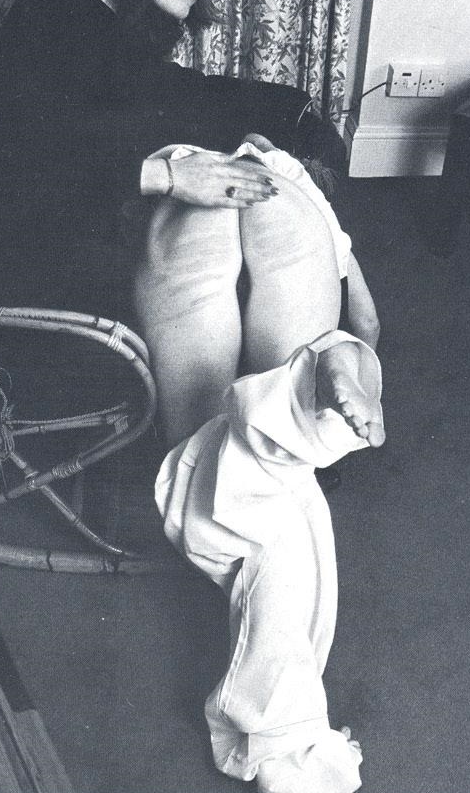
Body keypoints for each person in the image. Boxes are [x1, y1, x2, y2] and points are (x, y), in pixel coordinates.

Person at [0, 0, 379, 446]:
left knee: (251, 175)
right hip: (50, 241)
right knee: (224, 201)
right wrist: (170, 177)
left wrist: (293, 112)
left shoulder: (126, 18)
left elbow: (175, 97)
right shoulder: (53, 7)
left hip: (109, 214)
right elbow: (20, 157)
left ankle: (294, 396)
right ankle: (302, 395)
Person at [155, 329, 384, 793]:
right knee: (285, 547)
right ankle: (320, 376)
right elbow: (369, 322)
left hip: (240, 491)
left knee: (288, 553)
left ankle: (317, 379)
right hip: (238, 484)